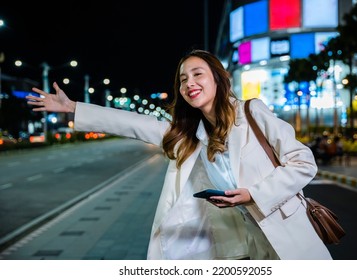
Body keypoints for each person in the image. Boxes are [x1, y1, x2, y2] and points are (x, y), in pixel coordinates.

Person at [26, 49, 332, 260]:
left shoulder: (251, 112)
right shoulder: (189, 134)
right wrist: (73, 108)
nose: (189, 83)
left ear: (217, 78)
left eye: (197, 74)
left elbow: (303, 162)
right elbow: (134, 124)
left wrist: (253, 194)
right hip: (236, 246)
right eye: (183, 79)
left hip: (282, 233)